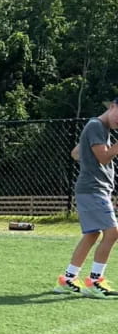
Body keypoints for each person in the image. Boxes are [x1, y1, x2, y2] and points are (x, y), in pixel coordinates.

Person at [53, 99, 118, 297]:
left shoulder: (97, 128)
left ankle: (68, 279)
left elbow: (75, 153)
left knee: (92, 234)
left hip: (92, 188)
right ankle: (95, 281)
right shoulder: (96, 125)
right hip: (93, 189)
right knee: (113, 232)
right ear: (112, 107)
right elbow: (104, 157)